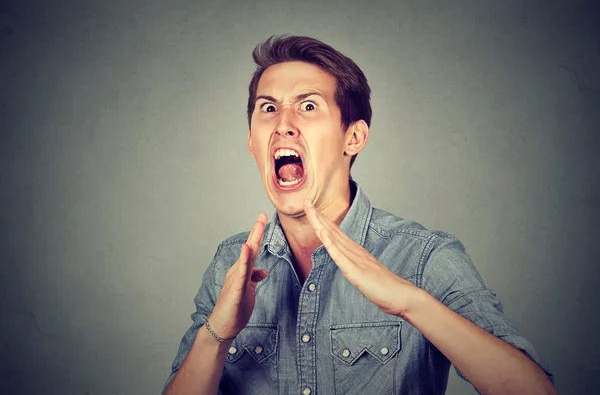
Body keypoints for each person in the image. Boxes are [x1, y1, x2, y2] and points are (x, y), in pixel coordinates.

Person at [163, 35, 556, 395]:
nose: (283, 124)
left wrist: (409, 302)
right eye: (268, 108)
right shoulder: (231, 264)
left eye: (308, 106)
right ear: (252, 140)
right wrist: (216, 336)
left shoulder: (424, 258)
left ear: (353, 137)